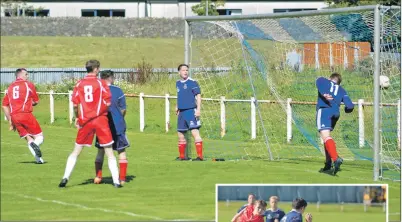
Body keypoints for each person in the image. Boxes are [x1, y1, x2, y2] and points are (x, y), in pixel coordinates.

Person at [58, 60, 122, 188]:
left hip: (85, 120)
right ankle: (116, 181)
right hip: (100, 120)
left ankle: (65, 177)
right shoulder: (101, 83)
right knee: (109, 152)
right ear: (96, 69)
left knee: (76, 151)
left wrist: (78, 117)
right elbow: (108, 102)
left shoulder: (79, 84)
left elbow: (75, 104)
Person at [93, 70, 129, 185]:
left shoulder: (97, 91)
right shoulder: (118, 91)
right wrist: (119, 118)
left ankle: (98, 177)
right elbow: (123, 109)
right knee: (121, 151)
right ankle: (122, 178)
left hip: (102, 125)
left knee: (101, 151)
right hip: (118, 125)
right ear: (111, 78)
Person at [2, 68, 44, 164]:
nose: (27, 76)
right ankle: (35, 144)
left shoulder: (10, 87)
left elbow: (4, 105)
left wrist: (10, 121)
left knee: (28, 138)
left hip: (14, 117)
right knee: (40, 137)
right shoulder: (28, 84)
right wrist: (31, 102)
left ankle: (39, 160)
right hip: (25, 114)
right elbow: (36, 101)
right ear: (20, 75)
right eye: (26, 74)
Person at [315, 73, 354, 175]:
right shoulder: (342, 90)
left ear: (330, 78)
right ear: (339, 82)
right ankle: (328, 163)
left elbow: (318, 80)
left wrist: (324, 93)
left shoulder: (324, 81)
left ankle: (336, 159)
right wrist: (346, 109)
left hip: (325, 110)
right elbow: (350, 106)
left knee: (326, 136)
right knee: (326, 137)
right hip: (335, 113)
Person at [175, 64, 203, 161]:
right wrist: (177, 106)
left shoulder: (192, 82)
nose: (185, 72)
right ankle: (183, 157)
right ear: (179, 72)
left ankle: (200, 156)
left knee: (195, 132)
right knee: (180, 133)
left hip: (191, 111)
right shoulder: (177, 83)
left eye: (187, 70)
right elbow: (180, 95)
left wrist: (198, 110)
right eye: (183, 70)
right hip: (182, 112)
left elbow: (198, 96)